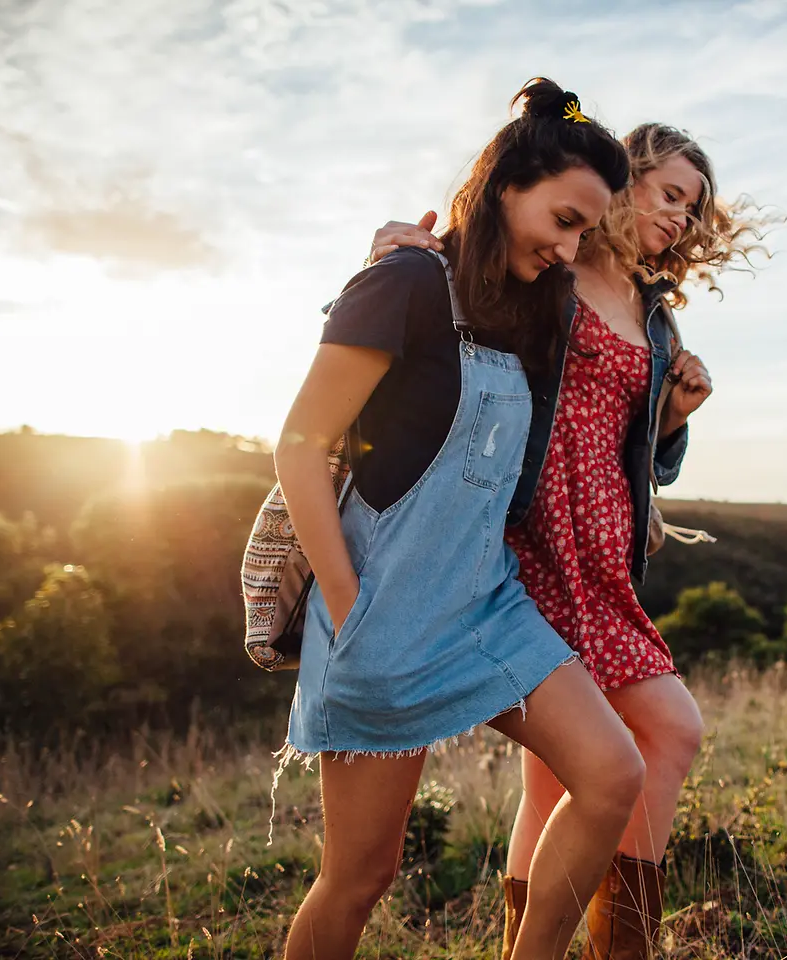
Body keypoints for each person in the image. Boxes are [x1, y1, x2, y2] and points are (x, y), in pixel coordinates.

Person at [364, 122, 767, 960]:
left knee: (560, 780)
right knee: (664, 731)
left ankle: (548, 946)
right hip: (525, 541)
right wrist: (401, 254)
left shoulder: (656, 322)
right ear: (625, 182)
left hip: (604, 553)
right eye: (670, 195)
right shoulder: (548, 266)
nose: (682, 220)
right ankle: (616, 950)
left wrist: (673, 420)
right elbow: (453, 289)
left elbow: (642, 451)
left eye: (693, 209)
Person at [274, 79, 644, 960]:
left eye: (584, 233)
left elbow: (621, 369)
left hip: (487, 608)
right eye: (562, 219)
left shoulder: (531, 309)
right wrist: (347, 601)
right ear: (505, 186)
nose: (569, 247)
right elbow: (298, 446)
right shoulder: (403, 281)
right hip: (381, 615)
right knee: (361, 878)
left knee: (611, 773)